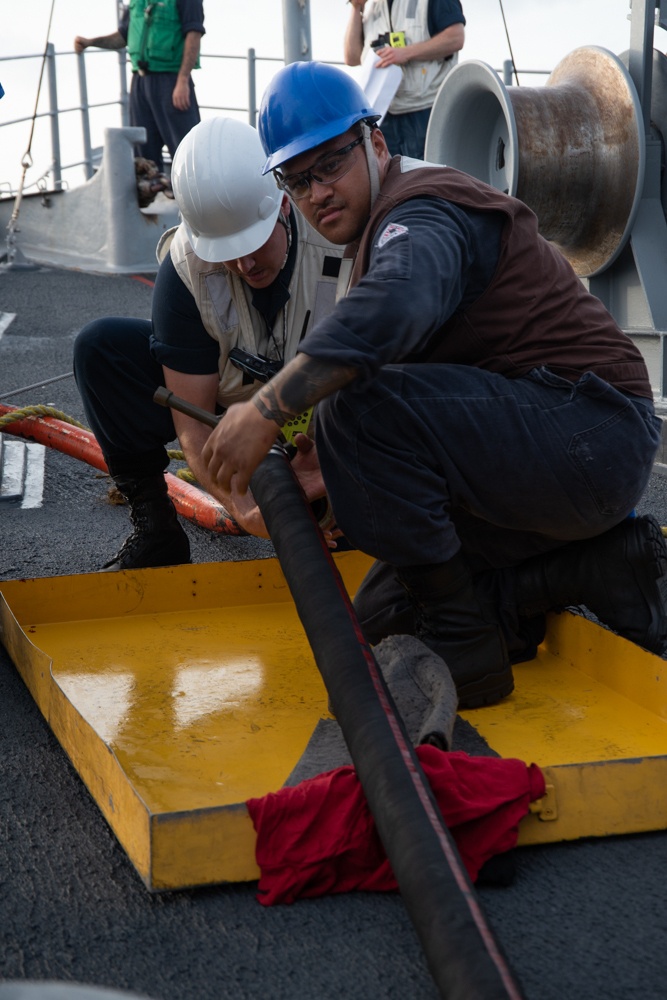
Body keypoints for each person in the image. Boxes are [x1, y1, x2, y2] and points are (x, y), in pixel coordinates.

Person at [200, 61, 667, 711]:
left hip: (590, 429)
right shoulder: (374, 237)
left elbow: (396, 308)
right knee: (382, 620)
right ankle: (601, 566)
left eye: (330, 164)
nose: (316, 193)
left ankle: (469, 648)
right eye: (297, 180)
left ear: (377, 143)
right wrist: (330, 471)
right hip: (545, 455)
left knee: (356, 413)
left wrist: (268, 408)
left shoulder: (420, 211)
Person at [73, 115, 344, 571]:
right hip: (227, 412)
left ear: (280, 203)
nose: (244, 262)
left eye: (255, 242)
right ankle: (157, 530)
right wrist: (244, 510)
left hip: (330, 411)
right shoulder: (184, 270)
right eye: (226, 249)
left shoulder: (340, 236)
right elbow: (193, 429)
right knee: (101, 348)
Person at [74, 1, 205, 172]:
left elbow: (194, 34)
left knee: (187, 150)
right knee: (143, 152)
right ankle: (152, 193)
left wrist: (183, 80)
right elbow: (123, 36)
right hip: (140, 83)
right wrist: (90, 42)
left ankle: (192, 196)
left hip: (171, 81)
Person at [344, 0, 465, 159]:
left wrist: (407, 52)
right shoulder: (370, 6)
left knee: (428, 177)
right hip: (384, 114)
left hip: (427, 109)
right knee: (391, 180)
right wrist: (356, 7)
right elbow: (351, 57)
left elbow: (455, 37)